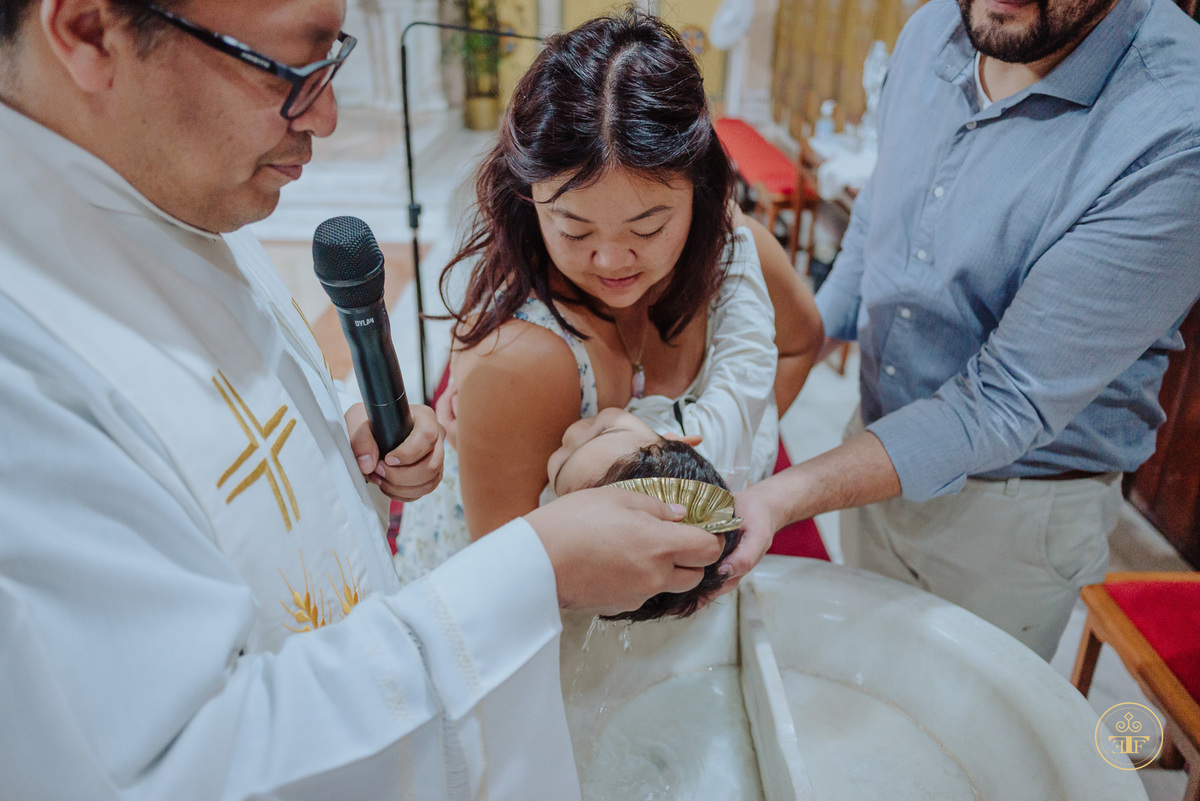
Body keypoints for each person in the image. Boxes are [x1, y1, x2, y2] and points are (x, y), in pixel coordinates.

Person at [0, 0, 728, 798]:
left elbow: (225, 424)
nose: (329, 113)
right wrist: (541, 567)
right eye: (293, 67)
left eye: (332, 59)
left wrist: (342, 438)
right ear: (88, 32)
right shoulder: (23, 366)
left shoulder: (158, 180)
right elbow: (192, 762)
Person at [731, 0, 1200, 659]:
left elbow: (1005, 399)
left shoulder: (1177, 125)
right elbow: (874, 230)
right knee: (851, 678)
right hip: (874, 446)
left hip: (1010, 516)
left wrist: (782, 495)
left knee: (948, 738)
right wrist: (767, 381)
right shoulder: (935, 29)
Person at [393, 9, 822, 582]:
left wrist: (727, 450)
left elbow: (799, 343)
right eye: (575, 231)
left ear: (701, 192)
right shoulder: (523, 358)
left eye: (647, 229)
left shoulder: (728, 250)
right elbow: (505, 581)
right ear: (527, 197)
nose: (612, 261)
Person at [547, 407, 743, 621]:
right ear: (676, 440)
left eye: (559, 469)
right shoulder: (714, 428)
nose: (570, 435)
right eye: (605, 431)